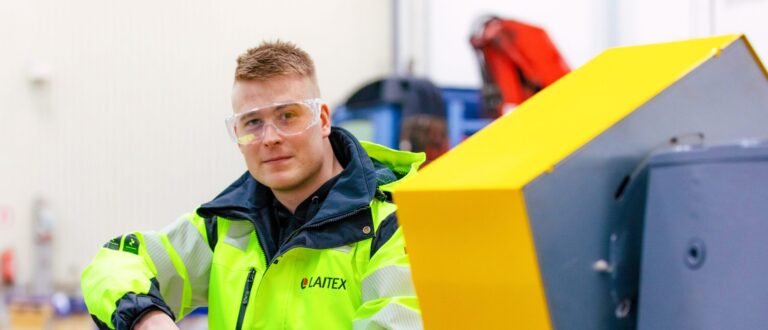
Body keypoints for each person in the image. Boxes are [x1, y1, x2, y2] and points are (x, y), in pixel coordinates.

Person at [81, 40, 425, 330]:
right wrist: (145, 316)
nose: (269, 138)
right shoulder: (225, 228)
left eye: (287, 116)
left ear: (322, 119)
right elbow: (118, 261)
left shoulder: (394, 226)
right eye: (253, 122)